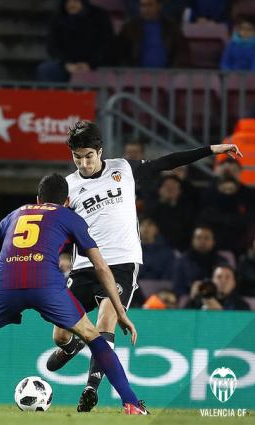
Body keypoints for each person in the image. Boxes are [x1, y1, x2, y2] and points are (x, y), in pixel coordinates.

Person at [45, 120, 241, 412]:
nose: (84, 163)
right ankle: (73, 345)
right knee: (60, 334)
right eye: (77, 157)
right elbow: (55, 226)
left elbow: (168, 162)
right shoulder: (69, 186)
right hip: (85, 265)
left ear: (100, 151)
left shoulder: (122, 169)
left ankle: (91, 388)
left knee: (106, 321)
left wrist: (212, 150)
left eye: (89, 156)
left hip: (122, 262)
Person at [0, 174, 149, 415]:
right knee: (92, 335)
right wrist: (120, 311)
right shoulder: (69, 216)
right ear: (67, 200)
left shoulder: (16, 214)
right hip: (45, 283)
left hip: (6, 283)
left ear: (37, 199)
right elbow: (100, 266)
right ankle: (130, 403)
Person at [37, 0, 114, 82]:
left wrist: (91, 64)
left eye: (75, 1)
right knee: (46, 70)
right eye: (68, 1)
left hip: (95, 64)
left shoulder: (100, 16)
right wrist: (66, 63)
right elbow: (52, 46)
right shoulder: (58, 17)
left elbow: (106, 45)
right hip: (66, 64)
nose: (72, 4)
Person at [117, 0, 188, 68]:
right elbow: (121, 54)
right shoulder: (129, 28)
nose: (145, 9)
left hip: (168, 76)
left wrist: (173, 71)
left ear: (159, 6)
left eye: (150, 5)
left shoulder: (172, 28)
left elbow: (181, 53)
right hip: (136, 76)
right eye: (143, 5)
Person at [172, 226, 231, 298]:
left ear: (213, 241)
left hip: (218, 298)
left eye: (206, 238)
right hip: (190, 299)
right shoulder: (182, 261)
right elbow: (177, 287)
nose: (202, 241)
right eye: (198, 237)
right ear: (192, 240)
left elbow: (230, 283)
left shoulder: (222, 261)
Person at [185, 266, 250, 311]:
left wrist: (219, 314)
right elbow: (183, 323)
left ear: (234, 283)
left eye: (227, 277)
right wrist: (192, 300)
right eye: (219, 277)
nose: (223, 281)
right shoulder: (199, 300)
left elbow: (242, 329)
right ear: (212, 280)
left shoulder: (242, 306)